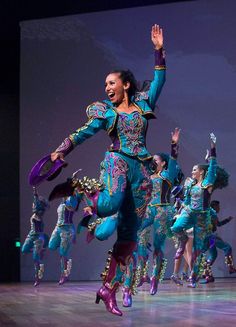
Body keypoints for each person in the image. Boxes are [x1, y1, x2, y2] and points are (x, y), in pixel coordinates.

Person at [50, 24, 166, 316]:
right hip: (117, 163)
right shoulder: (106, 112)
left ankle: (108, 289)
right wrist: (62, 149)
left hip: (141, 171)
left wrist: (158, 51)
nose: (107, 88)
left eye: (111, 83)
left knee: (128, 236)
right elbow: (83, 132)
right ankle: (78, 190)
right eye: (105, 85)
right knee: (108, 205)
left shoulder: (142, 104)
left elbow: (159, 82)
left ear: (126, 84)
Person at [171, 133, 220, 288]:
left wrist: (213, 149)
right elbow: (186, 200)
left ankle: (193, 277)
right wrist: (183, 207)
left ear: (201, 172)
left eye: (194, 170)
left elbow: (212, 168)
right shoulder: (191, 185)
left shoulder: (207, 184)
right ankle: (183, 239)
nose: (192, 172)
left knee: (198, 249)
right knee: (176, 227)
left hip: (201, 218)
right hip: (190, 213)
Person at [139, 127, 181, 295]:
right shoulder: (149, 177)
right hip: (149, 210)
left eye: (156, 160)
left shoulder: (168, 174)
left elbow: (174, 158)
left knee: (158, 245)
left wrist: (174, 144)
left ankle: (155, 278)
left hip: (163, 211)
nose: (153, 162)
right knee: (139, 239)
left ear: (163, 163)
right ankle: (142, 274)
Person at [201, 200, 236, 283]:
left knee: (213, 254)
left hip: (210, 238)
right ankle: (230, 267)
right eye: (218, 206)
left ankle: (207, 274)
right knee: (227, 247)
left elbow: (218, 224)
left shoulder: (211, 214)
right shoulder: (212, 214)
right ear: (214, 207)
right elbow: (214, 226)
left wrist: (227, 220)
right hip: (211, 238)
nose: (219, 208)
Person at [22, 187, 49, 286]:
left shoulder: (40, 213)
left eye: (35, 204)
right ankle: (38, 250)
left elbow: (36, 203)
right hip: (31, 235)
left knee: (35, 258)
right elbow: (36, 204)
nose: (33, 206)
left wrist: (35, 194)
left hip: (38, 237)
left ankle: (37, 278)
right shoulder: (35, 213)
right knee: (24, 250)